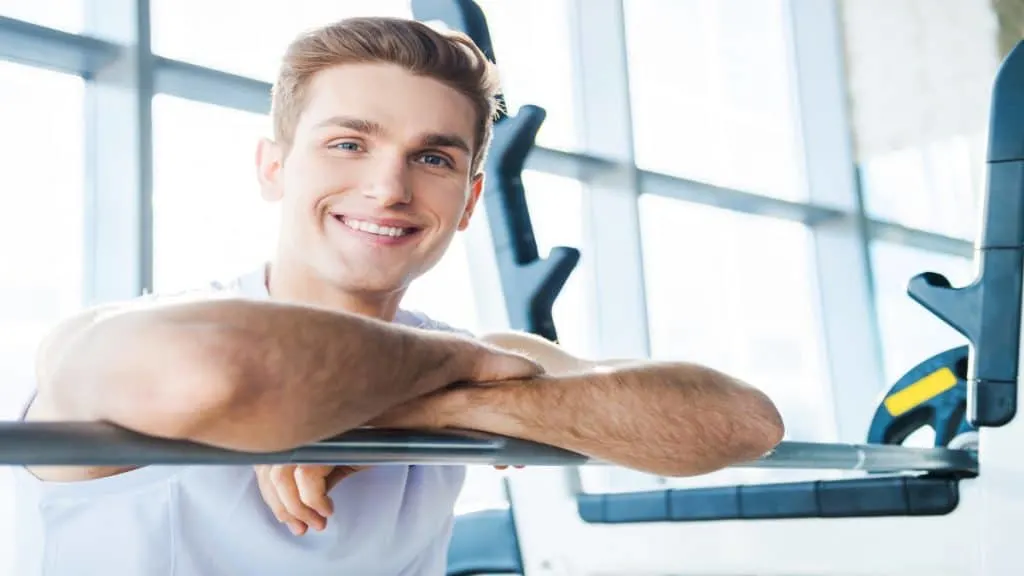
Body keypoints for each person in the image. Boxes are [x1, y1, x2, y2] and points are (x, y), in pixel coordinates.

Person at [13, 16, 785, 576]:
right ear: (274, 167)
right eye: (348, 143)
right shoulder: (108, 342)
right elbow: (221, 368)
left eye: (434, 158)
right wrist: (461, 376)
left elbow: (741, 423)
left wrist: (427, 408)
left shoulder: (477, 369)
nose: (388, 187)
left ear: (470, 198)